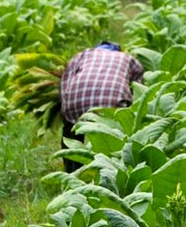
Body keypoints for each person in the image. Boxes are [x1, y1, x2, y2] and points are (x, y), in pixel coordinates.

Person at [60, 42, 144, 172]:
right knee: (116, 134)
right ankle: (114, 171)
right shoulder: (128, 58)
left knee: (70, 131)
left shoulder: (82, 55)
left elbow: (65, 82)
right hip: (112, 103)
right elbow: (139, 91)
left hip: (77, 100)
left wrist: (65, 108)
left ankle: (72, 172)